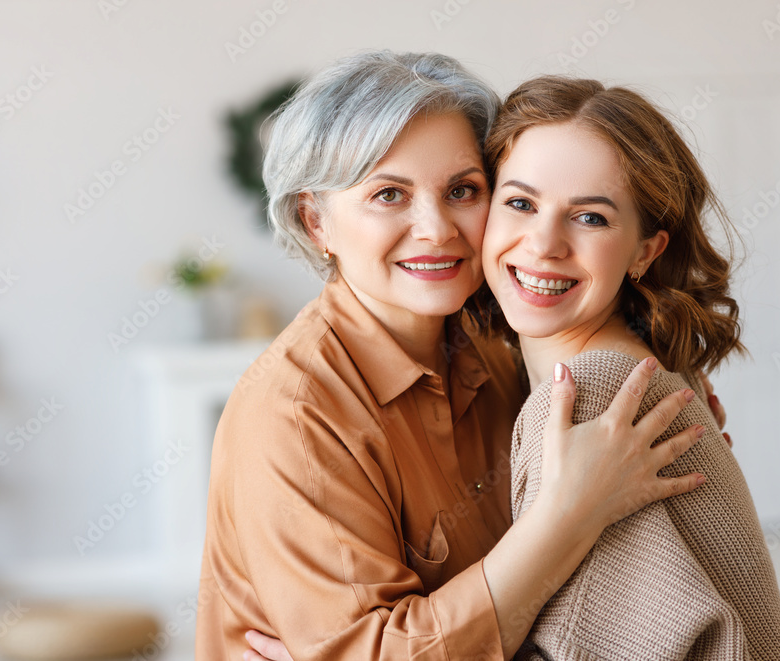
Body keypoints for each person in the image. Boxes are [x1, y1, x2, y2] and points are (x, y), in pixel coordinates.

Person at [195, 51, 714, 661]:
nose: (437, 228)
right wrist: (566, 517)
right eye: (389, 194)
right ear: (317, 222)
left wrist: (686, 398)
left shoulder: (500, 343)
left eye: (462, 190)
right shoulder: (292, 418)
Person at [473, 75, 780, 658]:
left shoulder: (590, 395)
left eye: (591, 217)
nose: (544, 243)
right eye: (520, 202)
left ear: (646, 251)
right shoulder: (627, 369)